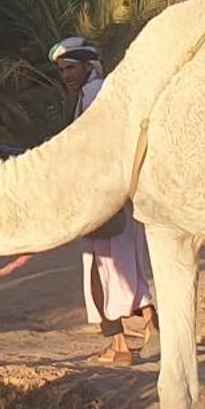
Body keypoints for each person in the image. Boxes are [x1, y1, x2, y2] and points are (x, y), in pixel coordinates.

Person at [49, 37, 155, 366]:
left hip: (103, 197)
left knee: (101, 271)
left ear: (87, 66)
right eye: (62, 70)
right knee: (127, 266)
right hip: (118, 196)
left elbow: (95, 147)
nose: (66, 75)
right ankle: (153, 331)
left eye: (70, 68)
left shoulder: (94, 96)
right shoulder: (98, 93)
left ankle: (120, 346)